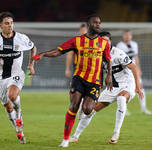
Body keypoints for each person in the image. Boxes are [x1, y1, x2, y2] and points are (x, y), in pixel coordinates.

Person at [31, 14, 113, 147]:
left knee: (87, 110)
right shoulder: (77, 40)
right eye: (95, 23)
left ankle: (84, 107)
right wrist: (43, 54)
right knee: (73, 105)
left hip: (95, 81)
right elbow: (59, 51)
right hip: (79, 78)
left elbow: (108, 60)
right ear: (88, 25)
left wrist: (109, 74)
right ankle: (65, 140)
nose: (98, 25)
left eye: (99, 23)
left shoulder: (104, 43)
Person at [68, 31, 144, 145]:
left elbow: (134, 68)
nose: (104, 43)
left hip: (127, 84)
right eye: (102, 41)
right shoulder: (97, 54)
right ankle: (75, 136)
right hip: (111, 88)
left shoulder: (118, 53)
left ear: (110, 42)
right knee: (90, 111)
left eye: (107, 41)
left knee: (121, 98)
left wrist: (137, 87)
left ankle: (116, 133)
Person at [0, 12, 37, 144]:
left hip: (16, 72)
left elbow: (33, 48)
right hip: (0, 76)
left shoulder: (21, 38)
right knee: (8, 108)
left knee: (13, 96)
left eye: (11, 23)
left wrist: (31, 64)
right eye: (6, 23)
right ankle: (17, 129)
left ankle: (19, 115)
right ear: (0, 25)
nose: (10, 26)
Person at [116, 30, 152, 115]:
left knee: (140, 87)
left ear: (131, 36)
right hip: (125, 70)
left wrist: (138, 69)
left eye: (129, 35)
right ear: (123, 36)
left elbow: (136, 57)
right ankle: (123, 109)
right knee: (124, 89)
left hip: (134, 69)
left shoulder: (134, 44)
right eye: (125, 35)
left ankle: (143, 108)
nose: (127, 36)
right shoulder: (120, 45)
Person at [65, 24, 87, 120]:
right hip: (77, 69)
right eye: (81, 30)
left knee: (86, 88)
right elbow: (69, 55)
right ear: (79, 31)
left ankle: (81, 106)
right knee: (76, 89)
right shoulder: (76, 41)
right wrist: (67, 69)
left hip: (89, 69)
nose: (83, 31)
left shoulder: (92, 41)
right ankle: (77, 105)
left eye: (85, 29)